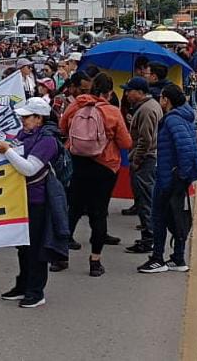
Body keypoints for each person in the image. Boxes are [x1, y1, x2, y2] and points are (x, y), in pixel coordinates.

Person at [0, 98, 66, 309]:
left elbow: (29, 168)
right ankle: (23, 285)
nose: (23, 120)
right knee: (23, 247)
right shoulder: (26, 134)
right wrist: (2, 149)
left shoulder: (48, 141)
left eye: (26, 117)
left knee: (35, 249)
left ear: (39, 118)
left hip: (38, 200)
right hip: (22, 198)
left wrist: (7, 150)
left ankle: (36, 291)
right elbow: (16, 157)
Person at [59, 73, 132, 278]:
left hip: (78, 163)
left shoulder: (76, 105)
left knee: (73, 209)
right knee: (99, 213)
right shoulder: (112, 112)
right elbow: (126, 143)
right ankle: (95, 261)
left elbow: (62, 127)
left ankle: (61, 256)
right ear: (109, 92)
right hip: (105, 166)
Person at [138, 84, 197, 273]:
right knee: (177, 216)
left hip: (169, 176)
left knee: (159, 217)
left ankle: (157, 258)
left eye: (161, 97)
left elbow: (186, 149)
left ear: (166, 100)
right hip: (174, 176)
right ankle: (177, 257)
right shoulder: (183, 116)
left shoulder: (173, 120)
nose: (159, 100)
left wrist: (180, 174)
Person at [121, 77, 163, 254]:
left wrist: (137, 160)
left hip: (145, 160)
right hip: (146, 158)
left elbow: (146, 140)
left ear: (139, 92)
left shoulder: (146, 110)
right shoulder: (148, 107)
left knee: (145, 200)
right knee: (145, 199)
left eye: (129, 91)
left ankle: (149, 239)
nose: (126, 94)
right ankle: (149, 235)